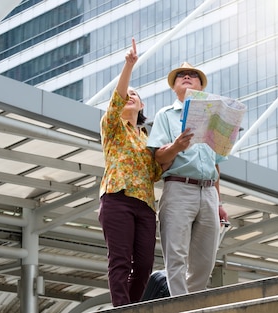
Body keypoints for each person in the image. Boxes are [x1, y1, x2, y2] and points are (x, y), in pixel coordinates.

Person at [147, 62, 229, 296]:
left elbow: (215, 164)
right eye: (180, 76)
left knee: (205, 261)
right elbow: (158, 156)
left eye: (193, 75)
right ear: (174, 87)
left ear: (201, 86)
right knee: (176, 257)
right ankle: (179, 305)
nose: (186, 77)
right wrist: (177, 146)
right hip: (178, 187)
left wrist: (220, 203)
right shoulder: (165, 115)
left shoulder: (213, 119)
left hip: (209, 192)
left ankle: (187, 304)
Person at [98, 38, 166, 307]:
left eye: (134, 96)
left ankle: (133, 307)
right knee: (120, 261)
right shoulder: (113, 126)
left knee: (145, 265)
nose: (128, 97)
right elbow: (117, 98)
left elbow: (157, 170)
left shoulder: (148, 139)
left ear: (142, 107)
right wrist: (129, 64)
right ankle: (121, 310)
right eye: (126, 95)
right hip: (118, 198)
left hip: (146, 205)